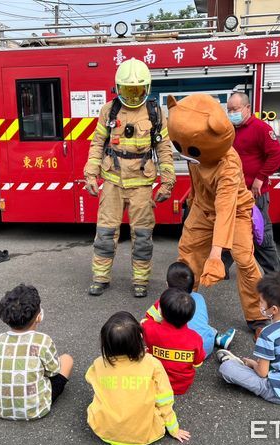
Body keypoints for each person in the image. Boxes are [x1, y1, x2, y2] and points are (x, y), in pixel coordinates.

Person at [167, 94, 265, 338]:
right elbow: (198, 180)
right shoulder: (193, 147)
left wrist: (215, 254)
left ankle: (259, 317)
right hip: (202, 209)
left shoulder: (228, 164)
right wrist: (189, 199)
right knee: (186, 256)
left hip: (236, 211)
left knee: (244, 259)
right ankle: (179, 311)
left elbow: (225, 209)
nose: (185, 153)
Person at [84, 58, 176, 298]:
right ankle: (100, 278)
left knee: (143, 237)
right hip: (113, 182)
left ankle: (140, 281)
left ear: (147, 88)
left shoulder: (156, 112)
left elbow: (164, 148)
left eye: (138, 90)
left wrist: (167, 181)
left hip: (142, 186)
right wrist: (91, 174)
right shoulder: (109, 110)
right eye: (128, 90)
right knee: (105, 233)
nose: (134, 96)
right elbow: (97, 144)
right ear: (118, 88)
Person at [86, 311, 190, 445]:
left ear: (105, 343)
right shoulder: (152, 364)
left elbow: (89, 377)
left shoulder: (99, 363)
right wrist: (174, 429)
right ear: (140, 337)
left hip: (105, 430)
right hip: (145, 433)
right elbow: (164, 400)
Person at [216, 272, 280, 405]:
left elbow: (262, 373)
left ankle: (235, 363)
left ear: (274, 309)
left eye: (261, 302)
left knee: (227, 368)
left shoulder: (267, 333)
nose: (259, 304)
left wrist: (253, 364)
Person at [0, 284, 73, 420]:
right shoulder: (43, 340)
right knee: (67, 359)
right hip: (36, 409)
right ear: (38, 317)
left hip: (1, 409)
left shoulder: (0, 339)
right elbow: (54, 371)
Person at [222, 92, 280, 275]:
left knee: (260, 235)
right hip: (233, 192)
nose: (232, 113)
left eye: (235, 109)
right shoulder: (229, 130)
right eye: (229, 110)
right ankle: (221, 268)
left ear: (247, 108)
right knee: (230, 231)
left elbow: (277, 154)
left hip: (254, 193)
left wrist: (261, 177)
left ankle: (275, 276)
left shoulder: (261, 128)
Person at [143, 261, 236, 357]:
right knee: (204, 326)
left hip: (178, 351)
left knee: (163, 326)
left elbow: (147, 320)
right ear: (192, 284)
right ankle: (219, 339)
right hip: (206, 347)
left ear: (167, 285)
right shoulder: (199, 298)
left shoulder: (164, 301)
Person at [142, 288, 205, 395]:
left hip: (155, 382)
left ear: (161, 312)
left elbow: (144, 321)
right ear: (190, 317)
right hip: (182, 386)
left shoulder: (150, 329)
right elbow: (197, 363)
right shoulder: (195, 338)